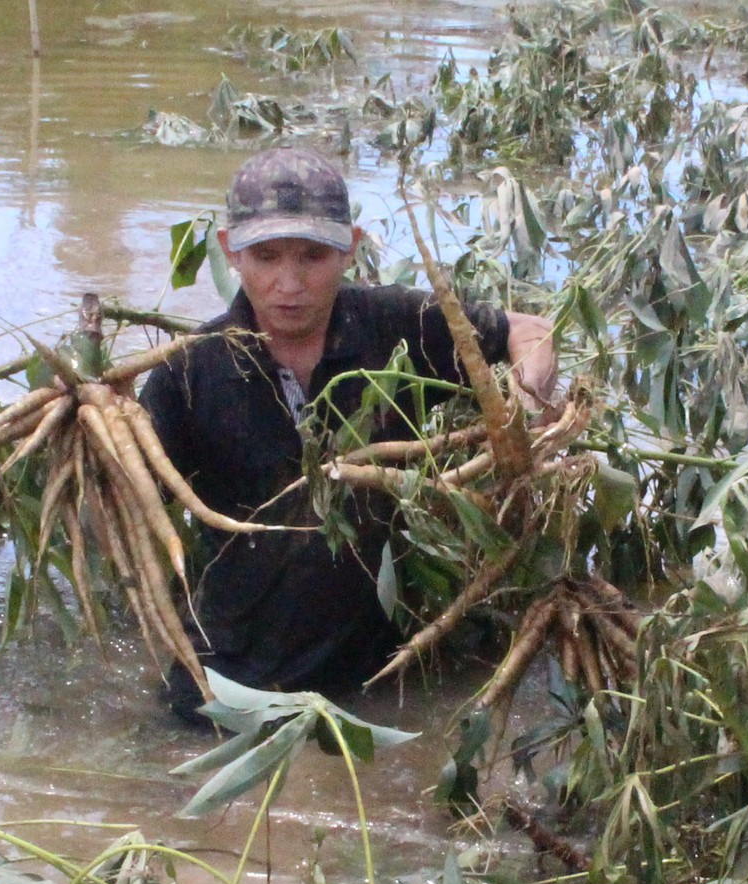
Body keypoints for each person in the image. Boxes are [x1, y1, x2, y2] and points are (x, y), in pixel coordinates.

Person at [138, 147, 557, 725]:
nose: (289, 284)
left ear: (350, 248)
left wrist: (525, 409)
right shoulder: (188, 373)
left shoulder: (394, 327)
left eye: (313, 256)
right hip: (227, 676)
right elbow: (128, 514)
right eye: (266, 256)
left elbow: (528, 331)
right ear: (231, 251)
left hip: (371, 669)